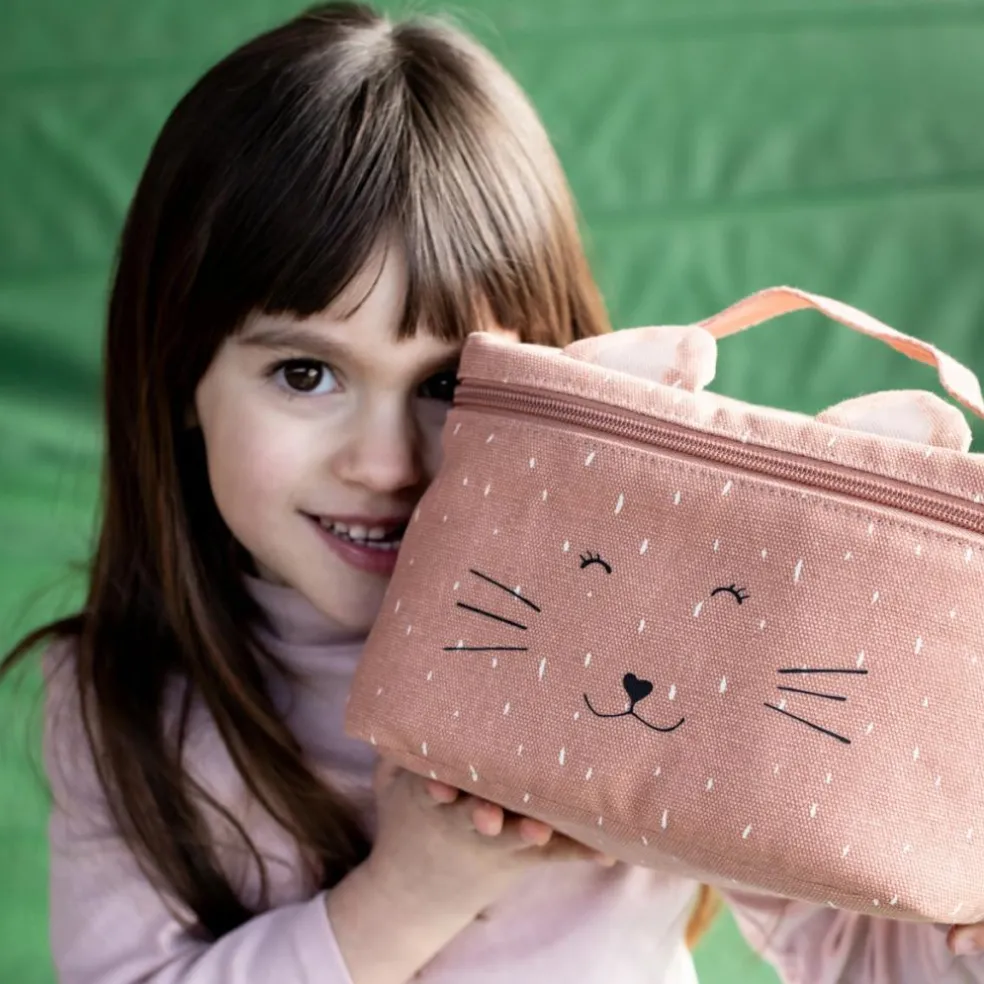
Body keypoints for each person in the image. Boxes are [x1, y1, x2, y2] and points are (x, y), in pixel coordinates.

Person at [4, 4, 981, 982]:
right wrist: (409, 894)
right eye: (305, 374)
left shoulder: (655, 635)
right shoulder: (121, 702)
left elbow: (863, 954)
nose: (385, 463)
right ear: (180, 378)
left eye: (447, 384)